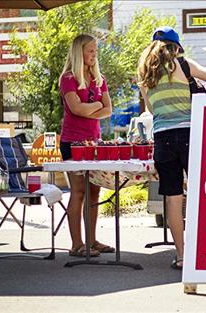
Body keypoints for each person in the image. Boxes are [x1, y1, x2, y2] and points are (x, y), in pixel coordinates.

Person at [137, 26, 206, 269]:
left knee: (173, 198)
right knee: (199, 193)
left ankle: (182, 255)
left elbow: (151, 110)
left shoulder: (146, 73)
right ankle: (202, 250)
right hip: (188, 133)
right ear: (175, 47)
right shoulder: (183, 65)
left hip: (162, 139)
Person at [58, 34, 114, 256]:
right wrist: (98, 104)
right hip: (73, 143)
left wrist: (90, 106)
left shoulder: (99, 78)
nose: (94, 54)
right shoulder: (68, 78)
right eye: (90, 50)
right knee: (78, 192)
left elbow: (109, 110)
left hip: (94, 142)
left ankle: (92, 241)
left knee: (94, 192)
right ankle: (76, 245)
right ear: (79, 52)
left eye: (95, 51)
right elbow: (76, 109)